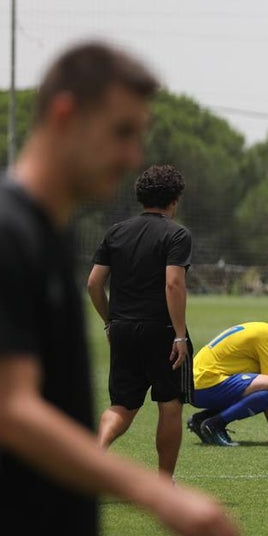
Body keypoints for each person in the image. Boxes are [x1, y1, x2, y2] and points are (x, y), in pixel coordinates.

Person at [0, 41, 240, 536]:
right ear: (66, 116)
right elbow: (10, 411)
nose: (131, 154)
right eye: (121, 132)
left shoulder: (50, 234)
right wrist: (157, 495)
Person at [87, 164, 192, 477]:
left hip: (122, 329)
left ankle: (94, 451)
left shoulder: (116, 232)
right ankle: (163, 482)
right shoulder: (177, 234)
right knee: (170, 403)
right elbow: (173, 284)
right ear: (174, 200)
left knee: (122, 406)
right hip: (161, 331)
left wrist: (110, 321)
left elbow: (94, 283)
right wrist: (179, 335)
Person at [187, 321, 268, 447]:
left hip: (195, 385)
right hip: (205, 382)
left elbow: (266, 393)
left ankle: (201, 419)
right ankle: (214, 425)